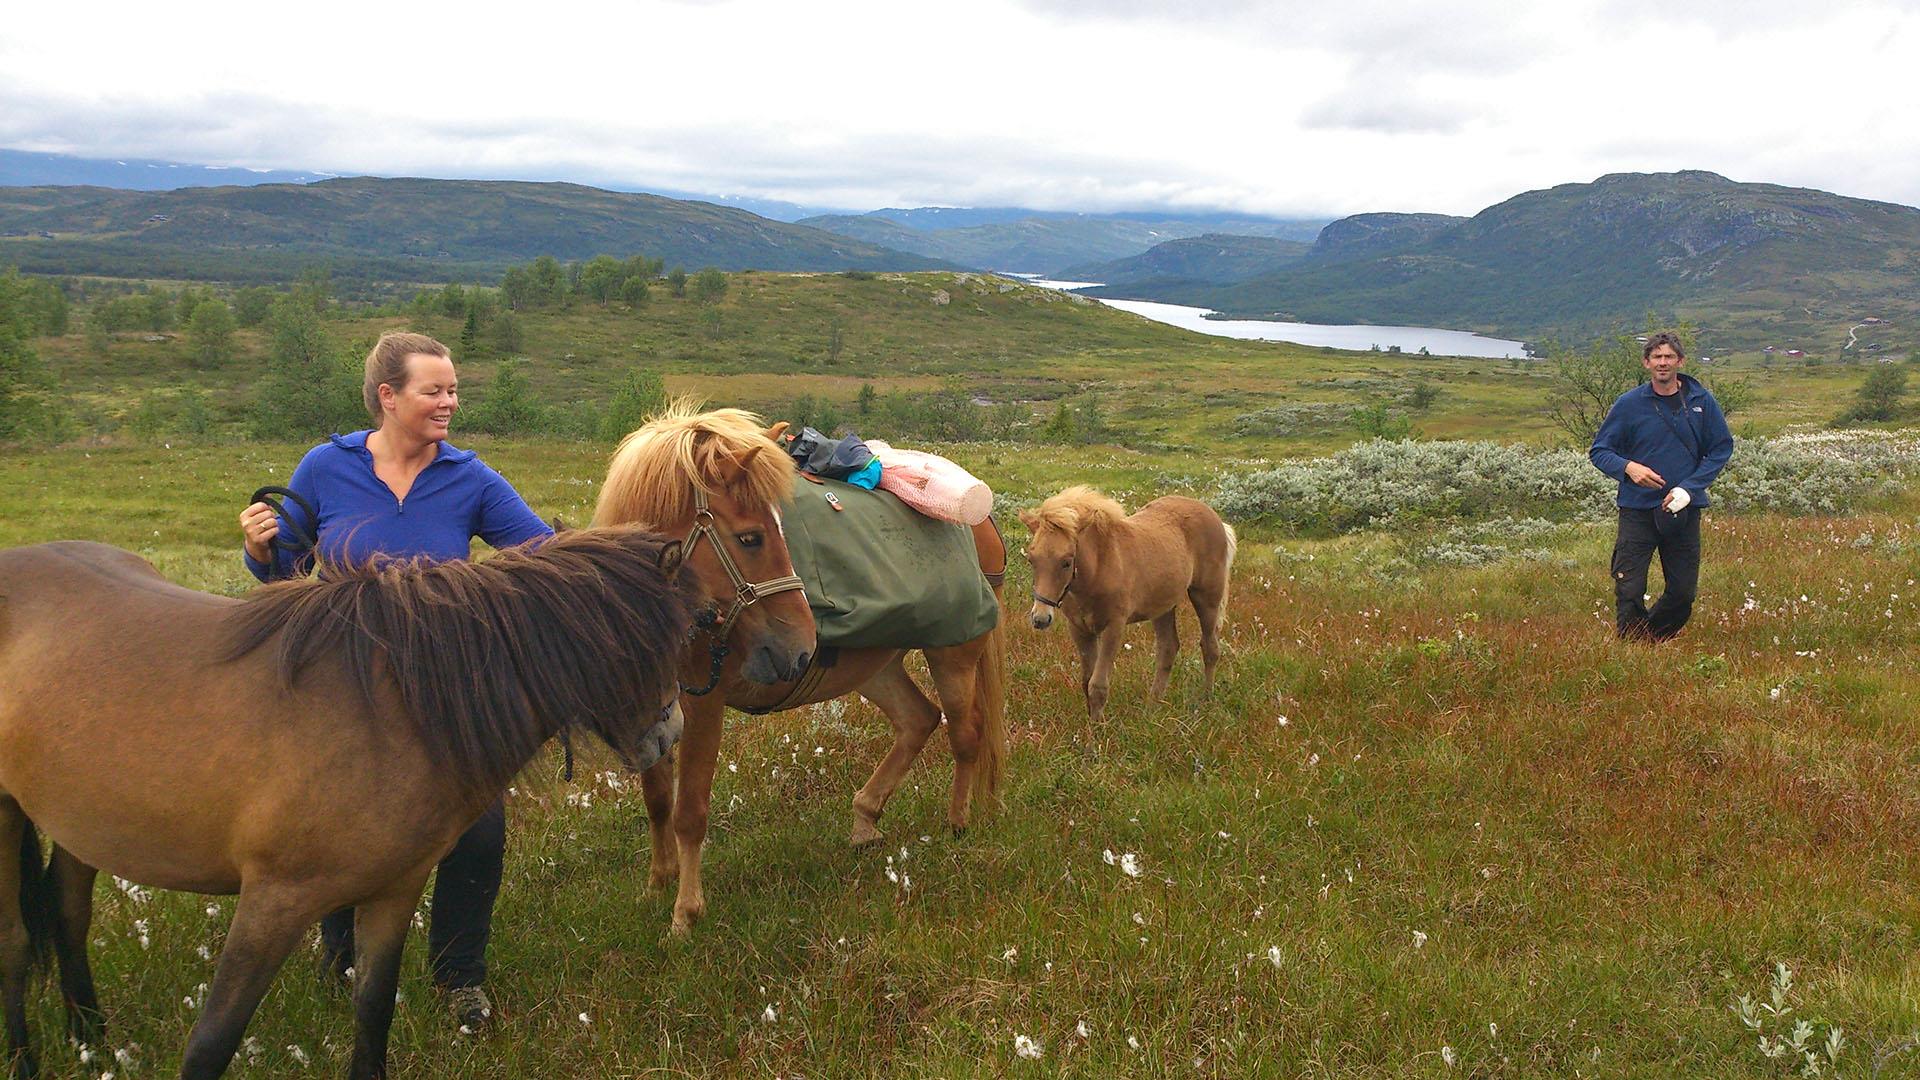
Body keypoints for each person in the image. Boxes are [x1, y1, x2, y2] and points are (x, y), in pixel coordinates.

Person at [239, 331, 552, 1032]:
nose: (450, 402)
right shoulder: (327, 467)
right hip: (339, 685)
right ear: (389, 396)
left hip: (444, 689)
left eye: (453, 390)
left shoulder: (471, 478)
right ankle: (341, 955)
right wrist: (261, 548)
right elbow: (283, 575)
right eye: (434, 390)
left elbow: (545, 556)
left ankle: (459, 978)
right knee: (338, 824)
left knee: (476, 831)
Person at [1588, 332, 1734, 641]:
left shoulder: (1701, 401)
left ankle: (1648, 640)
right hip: (1637, 510)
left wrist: (1689, 488)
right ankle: (1632, 651)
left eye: (1669, 357)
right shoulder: (1628, 404)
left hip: (1683, 509)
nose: (1663, 363)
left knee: (1682, 594)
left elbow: (1721, 448)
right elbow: (1599, 451)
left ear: (1680, 361)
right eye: (1657, 357)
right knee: (1629, 587)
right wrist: (1629, 468)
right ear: (1646, 363)